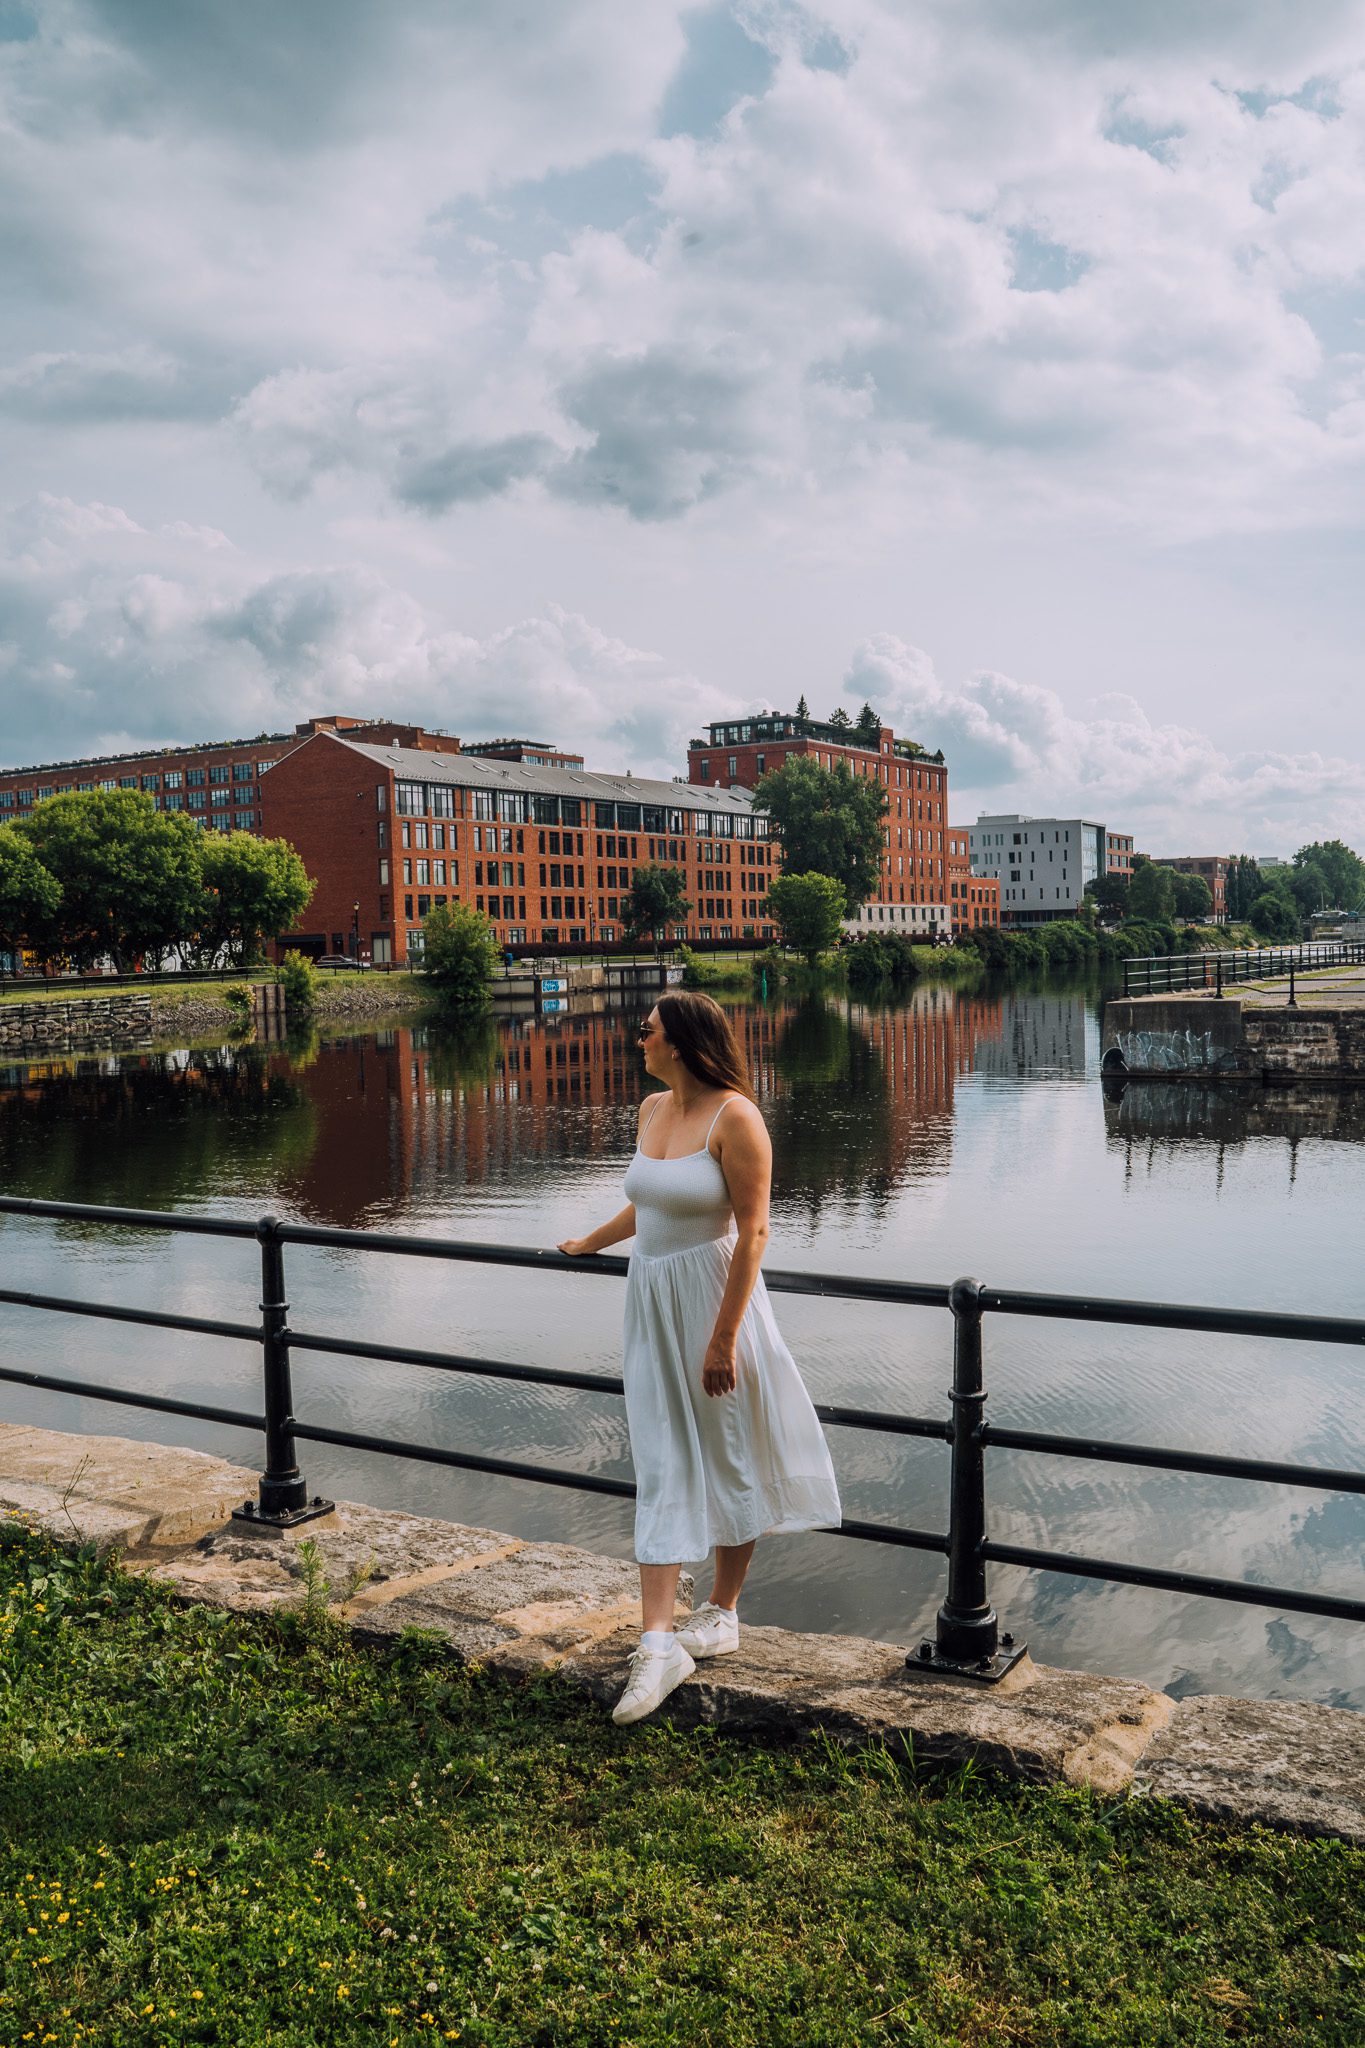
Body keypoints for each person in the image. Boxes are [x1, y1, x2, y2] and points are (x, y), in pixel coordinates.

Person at [557, 990, 841, 1725]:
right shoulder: (653, 1111)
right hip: (651, 1303)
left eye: (644, 1030)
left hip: (717, 1306)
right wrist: (592, 1241)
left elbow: (752, 1234)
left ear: (678, 1042)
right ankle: (657, 1642)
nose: (636, 1039)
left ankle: (719, 1611)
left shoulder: (736, 1117)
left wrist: (722, 1339)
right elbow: (651, 1202)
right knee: (658, 1457)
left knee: (727, 1452)